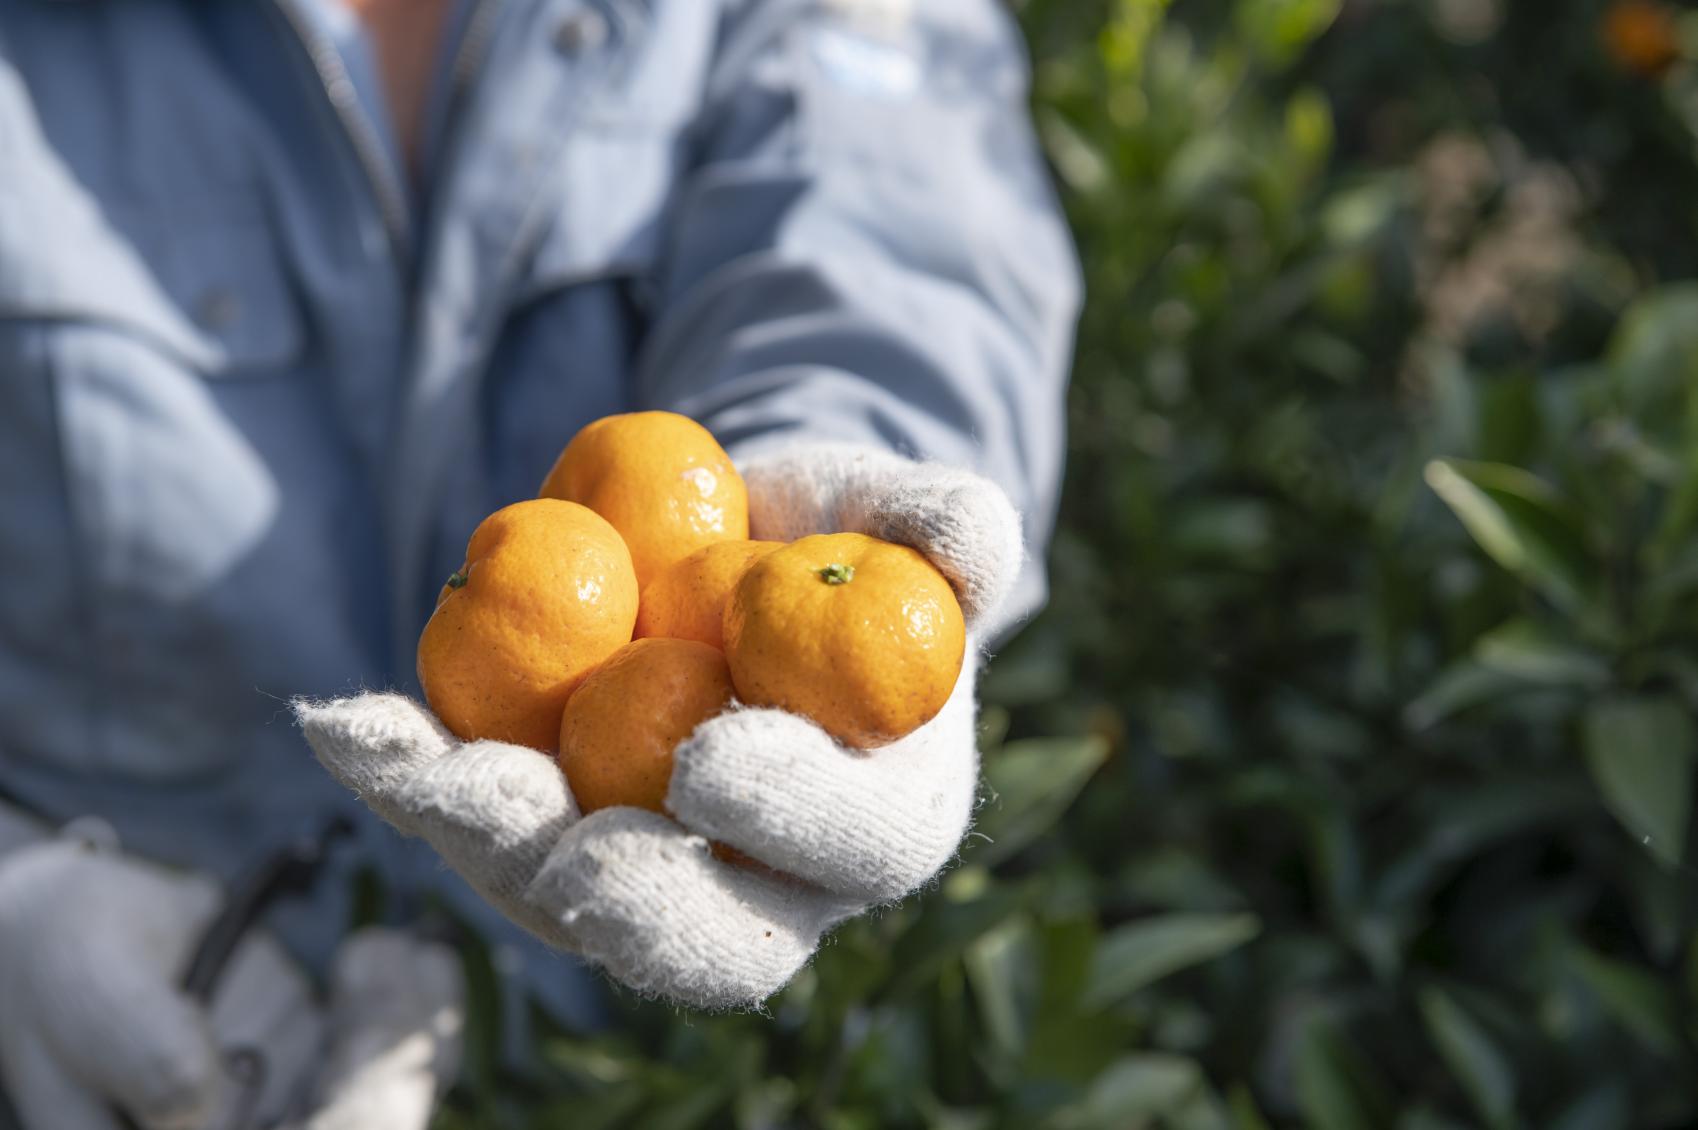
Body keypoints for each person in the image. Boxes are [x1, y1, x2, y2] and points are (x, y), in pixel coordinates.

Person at [0, 0, 1079, 1125]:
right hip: (170, 1036)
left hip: (645, 1077)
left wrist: (846, 491)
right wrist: (15, 889)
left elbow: (887, 237)